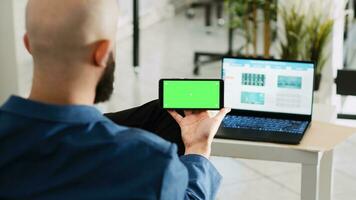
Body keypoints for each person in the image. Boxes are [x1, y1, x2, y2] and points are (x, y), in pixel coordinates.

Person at [0, 0, 230, 199]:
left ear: (29, 44)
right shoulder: (150, 161)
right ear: (102, 52)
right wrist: (198, 149)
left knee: (158, 111)